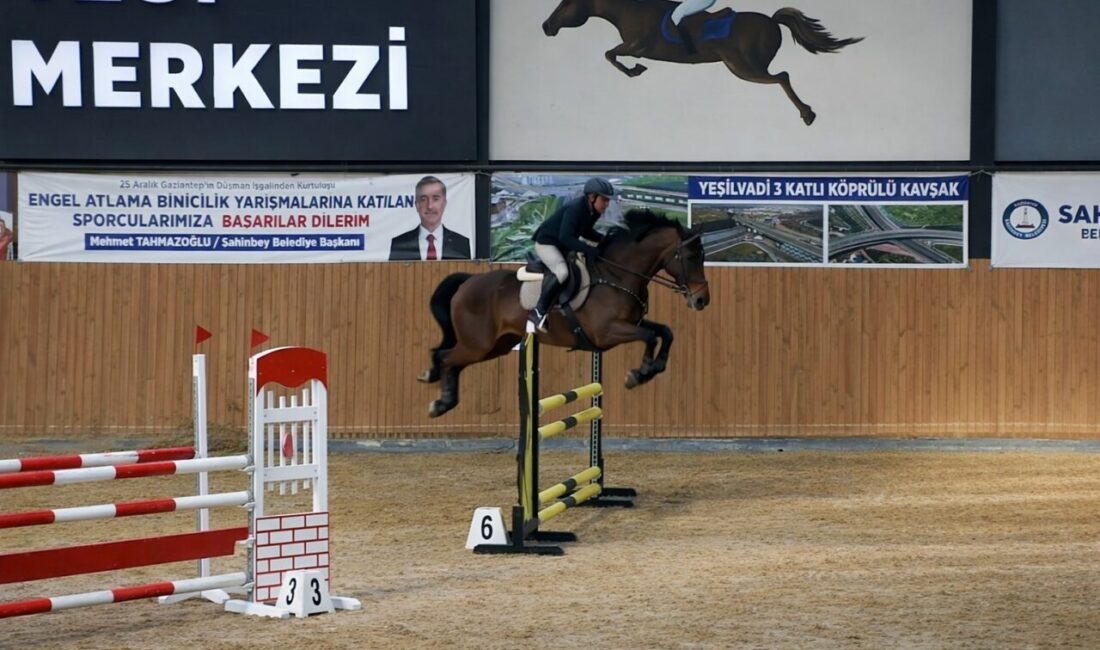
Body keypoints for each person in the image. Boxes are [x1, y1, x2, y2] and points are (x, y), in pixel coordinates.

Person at [528, 177, 614, 332]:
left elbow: (586, 231)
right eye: (604, 200)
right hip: (547, 243)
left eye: (608, 200)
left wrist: (604, 240)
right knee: (562, 272)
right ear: (592, 197)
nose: (607, 204)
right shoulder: (575, 208)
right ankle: (538, 312)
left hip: (561, 245)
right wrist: (589, 249)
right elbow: (566, 237)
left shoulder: (593, 211)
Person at [389, 176, 471, 261]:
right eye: (424, 199)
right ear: (417, 205)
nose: (430, 206)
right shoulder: (399, 244)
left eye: (435, 199)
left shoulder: (462, 243)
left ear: (444, 204)